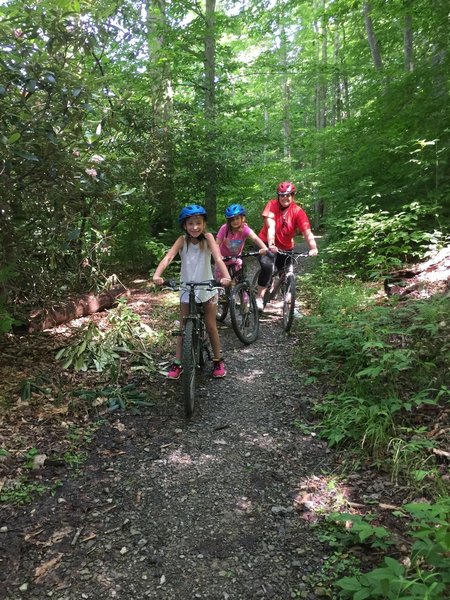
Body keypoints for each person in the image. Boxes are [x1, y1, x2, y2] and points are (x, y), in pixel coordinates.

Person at [153, 204, 231, 379]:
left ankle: (218, 360)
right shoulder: (182, 240)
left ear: (203, 224)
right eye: (190, 224)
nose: (195, 227)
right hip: (186, 288)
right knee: (183, 327)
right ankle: (178, 362)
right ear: (185, 226)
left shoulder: (209, 238)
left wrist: (225, 277)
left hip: (207, 288)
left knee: (211, 326)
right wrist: (157, 275)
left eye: (198, 223)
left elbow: (218, 258)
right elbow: (168, 257)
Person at [255, 181, 318, 311]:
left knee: (287, 274)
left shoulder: (297, 211)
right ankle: (259, 297)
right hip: (267, 243)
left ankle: (290, 307)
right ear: (278, 196)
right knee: (267, 267)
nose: (285, 197)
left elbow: (306, 231)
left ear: (293, 196)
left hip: (286, 246)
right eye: (282, 195)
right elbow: (271, 227)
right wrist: (271, 244)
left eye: (288, 195)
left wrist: (313, 247)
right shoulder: (271, 205)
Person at [214, 203, 268, 280]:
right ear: (228, 221)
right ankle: (221, 291)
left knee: (240, 277)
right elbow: (217, 244)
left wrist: (264, 248)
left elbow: (255, 238)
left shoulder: (245, 229)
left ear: (242, 218)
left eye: (237, 218)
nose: (235, 221)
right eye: (232, 219)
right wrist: (218, 256)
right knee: (221, 280)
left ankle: (241, 290)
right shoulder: (224, 228)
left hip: (236, 258)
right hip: (223, 258)